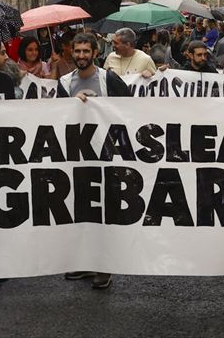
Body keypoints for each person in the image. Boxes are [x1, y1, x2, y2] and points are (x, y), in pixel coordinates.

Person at [57, 32, 130, 290]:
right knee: (82, 210)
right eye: (77, 51)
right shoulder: (65, 83)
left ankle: (104, 266)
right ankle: (87, 262)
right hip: (78, 157)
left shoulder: (109, 79)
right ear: (72, 53)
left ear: (95, 53)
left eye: (86, 51)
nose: (81, 56)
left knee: (105, 212)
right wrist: (71, 106)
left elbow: (130, 108)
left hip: (107, 156)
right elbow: (55, 116)